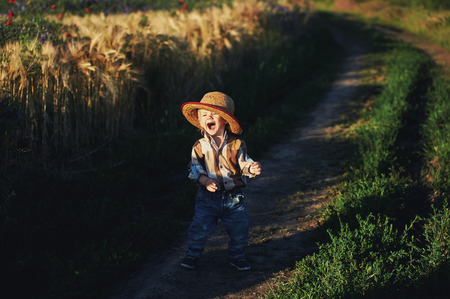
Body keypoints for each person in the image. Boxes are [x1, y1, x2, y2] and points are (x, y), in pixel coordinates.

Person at [180, 91, 262, 271]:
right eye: (204, 115)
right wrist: (204, 180)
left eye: (214, 114)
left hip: (234, 198)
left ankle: (237, 256)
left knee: (239, 229)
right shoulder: (199, 146)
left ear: (224, 120)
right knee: (200, 228)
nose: (208, 117)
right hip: (207, 198)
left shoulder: (237, 144)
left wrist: (251, 168)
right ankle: (193, 254)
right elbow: (194, 167)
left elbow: (243, 163)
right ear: (200, 122)